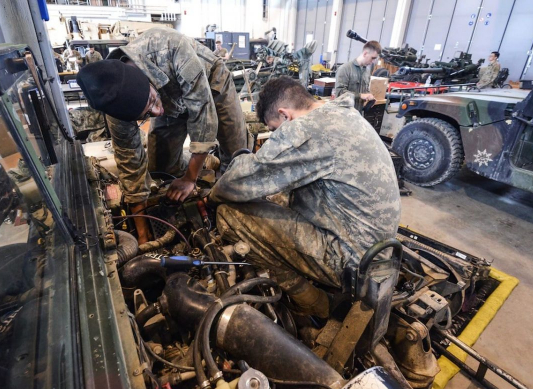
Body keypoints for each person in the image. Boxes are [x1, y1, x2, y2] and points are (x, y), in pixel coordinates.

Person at [208, 77, 401, 318]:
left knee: (230, 214)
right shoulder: (340, 114)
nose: (275, 137)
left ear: (285, 115)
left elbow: (235, 183)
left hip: (351, 261)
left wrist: (211, 198)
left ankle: (314, 302)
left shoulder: (306, 130)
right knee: (276, 197)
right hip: (375, 249)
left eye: (274, 130)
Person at [76, 26, 246, 244]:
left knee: (236, 159)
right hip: (173, 100)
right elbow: (131, 165)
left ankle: (214, 179)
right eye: (147, 115)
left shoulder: (171, 47)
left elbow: (203, 116)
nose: (157, 112)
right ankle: (204, 166)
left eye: (152, 101)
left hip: (211, 82)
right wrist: (144, 237)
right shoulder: (115, 109)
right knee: (161, 168)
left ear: (146, 80)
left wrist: (190, 179)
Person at [335, 40, 382, 110]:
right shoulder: (345, 69)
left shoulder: (367, 70)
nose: (373, 62)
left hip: (359, 113)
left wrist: (369, 96)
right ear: (365, 53)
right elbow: (339, 93)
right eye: (373, 58)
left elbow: (365, 89)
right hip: (345, 113)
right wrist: (361, 96)